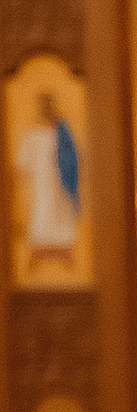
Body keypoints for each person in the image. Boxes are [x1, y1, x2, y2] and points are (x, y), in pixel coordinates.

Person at [13, 83, 81, 271]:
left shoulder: (63, 133)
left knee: (61, 212)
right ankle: (39, 251)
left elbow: (74, 157)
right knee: (43, 211)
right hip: (41, 184)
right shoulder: (31, 135)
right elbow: (21, 164)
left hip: (62, 184)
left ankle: (65, 252)